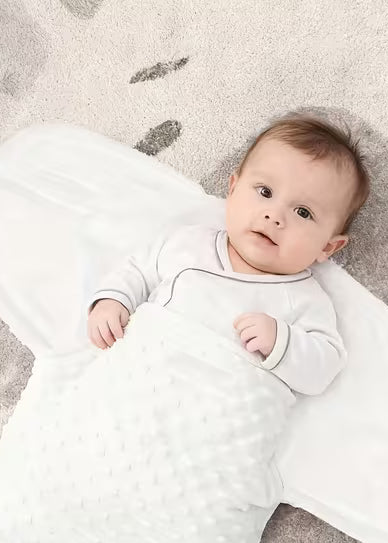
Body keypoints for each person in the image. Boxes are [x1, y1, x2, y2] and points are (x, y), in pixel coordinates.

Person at [86, 112, 371, 395]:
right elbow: (137, 270)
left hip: (223, 401)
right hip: (140, 372)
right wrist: (112, 301)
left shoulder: (305, 299)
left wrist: (281, 342)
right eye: (265, 192)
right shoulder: (190, 243)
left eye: (303, 212)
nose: (274, 216)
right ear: (233, 189)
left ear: (327, 247)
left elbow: (323, 369)